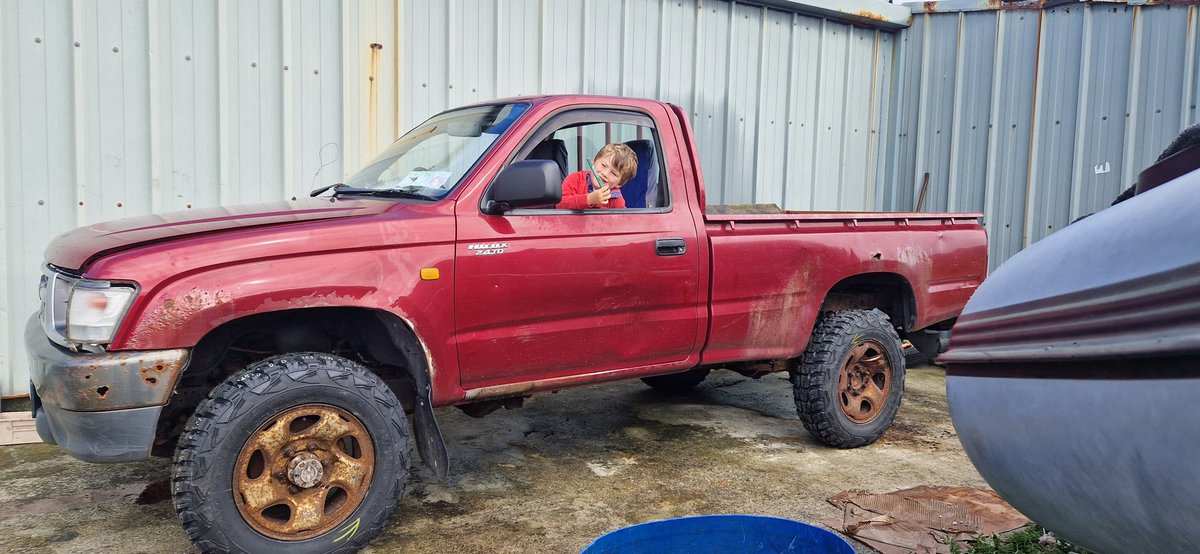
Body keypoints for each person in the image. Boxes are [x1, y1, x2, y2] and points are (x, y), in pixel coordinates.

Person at [556, 143, 638, 209]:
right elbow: (560, 205)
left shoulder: (616, 199)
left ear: (620, 183)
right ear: (593, 162)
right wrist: (589, 199)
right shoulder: (575, 179)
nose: (605, 174)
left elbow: (622, 222)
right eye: (603, 165)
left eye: (613, 173)